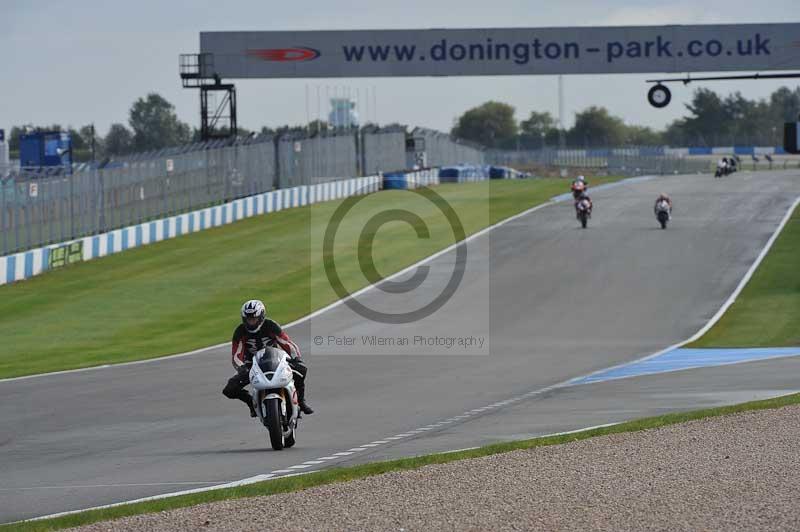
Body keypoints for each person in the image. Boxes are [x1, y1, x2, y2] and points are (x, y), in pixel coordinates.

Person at [223, 300, 314, 417]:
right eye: (248, 319)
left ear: (261, 317)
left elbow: (287, 343)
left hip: (276, 360)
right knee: (229, 389)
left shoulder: (270, 326)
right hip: (252, 365)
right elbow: (236, 354)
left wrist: (296, 358)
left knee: (302, 370)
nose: (251, 322)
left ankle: (301, 401)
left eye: (254, 319)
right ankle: (252, 403)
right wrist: (242, 368)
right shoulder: (240, 331)